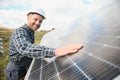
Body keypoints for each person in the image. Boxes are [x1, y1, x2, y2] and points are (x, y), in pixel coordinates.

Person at [5, 9, 83, 80]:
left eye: (40, 21)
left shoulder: (30, 32)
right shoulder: (20, 31)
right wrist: (55, 51)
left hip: (25, 66)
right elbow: (24, 47)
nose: (38, 23)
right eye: (35, 19)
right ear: (28, 17)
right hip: (15, 70)